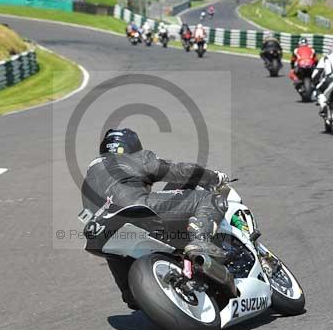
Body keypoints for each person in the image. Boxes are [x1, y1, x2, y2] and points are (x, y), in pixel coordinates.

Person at [82, 128, 230, 309]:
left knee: (115, 246)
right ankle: (200, 240)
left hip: (100, 229)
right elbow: (181, 171)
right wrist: (214, 177)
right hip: (136, 208)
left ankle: (130, 291)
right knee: (210, 199)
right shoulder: (135, 157)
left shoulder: (90, 176)